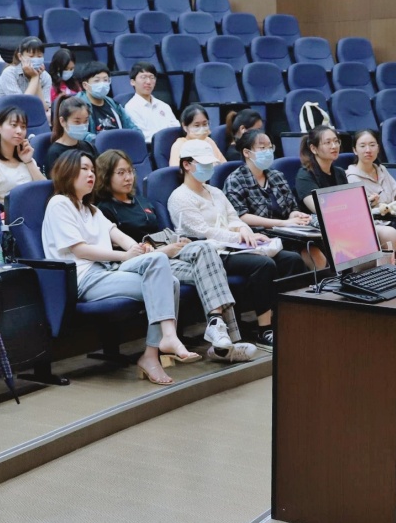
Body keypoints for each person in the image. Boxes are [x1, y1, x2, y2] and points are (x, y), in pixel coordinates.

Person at [42, 150, 198, 384]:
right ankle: (166, 339)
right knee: (166, 279)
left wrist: (139, 248)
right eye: (84, 169)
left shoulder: (90, 209)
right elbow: (80, 250)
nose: (91, 174)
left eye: (92, 170)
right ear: (67, 172)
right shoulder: (60, 203)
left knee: (168, 277)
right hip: (83, 279)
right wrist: (125, 255)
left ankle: (152, 354)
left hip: (106, 272)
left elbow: (119, 236)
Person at [94, 148, 253, 362]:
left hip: (166, 253)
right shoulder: (104, 210)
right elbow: (125, 253)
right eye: (120, 173)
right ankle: (226, 342)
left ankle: (218, 331)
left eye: (130, 171)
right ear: (106, 176)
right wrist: (164, 250)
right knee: (210, 267)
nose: (128, 177)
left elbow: (158, 232)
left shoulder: (141, 201)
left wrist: (175, 242)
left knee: (206, 249)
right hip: (141, 265)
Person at [168, 139, 310, 347]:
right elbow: (203, 231)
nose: (208, 167)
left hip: (236, 247)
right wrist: (239, 237)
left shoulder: (215, 192)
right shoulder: (180, 197)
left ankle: (288, 319)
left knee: (291, 259)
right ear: (186, 165)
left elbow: (233, 218)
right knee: (263, 265)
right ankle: (265, 329)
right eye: (203, 163)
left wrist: (245, 231)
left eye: (210, 163)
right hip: (213, 254)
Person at [293, 124, 396, 252]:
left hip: (346, 224)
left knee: (390, 234)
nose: (334, 146)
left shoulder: (339, 172)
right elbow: (321, 210)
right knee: (377, 234)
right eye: (328, 143)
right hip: (321, 231)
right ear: (313, 148)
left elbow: (349, 205)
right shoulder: (304, 176)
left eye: (336, 141)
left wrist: (365, 202)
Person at [225, 129, 316, 232]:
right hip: (257, 235)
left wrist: (295, 215)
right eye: (262, 148)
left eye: (270, 147)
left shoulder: (277, 176)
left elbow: (292, 208)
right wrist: (282, 223)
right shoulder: (235, 180)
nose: (268, 151)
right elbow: (240, 216)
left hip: (286, 231)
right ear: (247, 152)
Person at [0, 104, 45, 201]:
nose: (19, 131)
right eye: (14, 125)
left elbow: (44, 191)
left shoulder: (29, 161)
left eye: (23, 127)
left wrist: (29, 161)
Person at [76, 60, 135, 135]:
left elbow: (131, 127)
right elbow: (80, 135)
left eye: (105, 80)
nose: (102, 84)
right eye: (97, 81)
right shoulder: (77, 106)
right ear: (85, 85)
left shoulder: (114, 104)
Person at [124, 61, 178, 141]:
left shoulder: (164, 106)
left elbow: (176, 128)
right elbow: (143, 136)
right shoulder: (131, 108)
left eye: (152, 77)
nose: (148, 82)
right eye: (143, 77)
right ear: (133, 82)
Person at [0, 37, 51, 112]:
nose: (36, 59)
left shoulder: (46, 76)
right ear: (20, 56)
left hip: (34, 115)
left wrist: (37, 79)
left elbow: (45, 109)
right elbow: (21, 105)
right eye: (31, 56)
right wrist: (34, 77)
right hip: (10, 115)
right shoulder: (9, 73)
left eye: (39, 56)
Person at [44, 95, 96, 174]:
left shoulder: (89, 147)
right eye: (77, 122)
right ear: (62, 121)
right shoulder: (54, 153)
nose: (83, 126)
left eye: (85, 121)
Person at [168, 103, 226, 167]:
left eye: (205, 124)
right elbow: (177, 170)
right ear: (185, 127)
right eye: (197, 125)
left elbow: (223, 166)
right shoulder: (179, 145)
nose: (202, 128)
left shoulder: (209, 141)